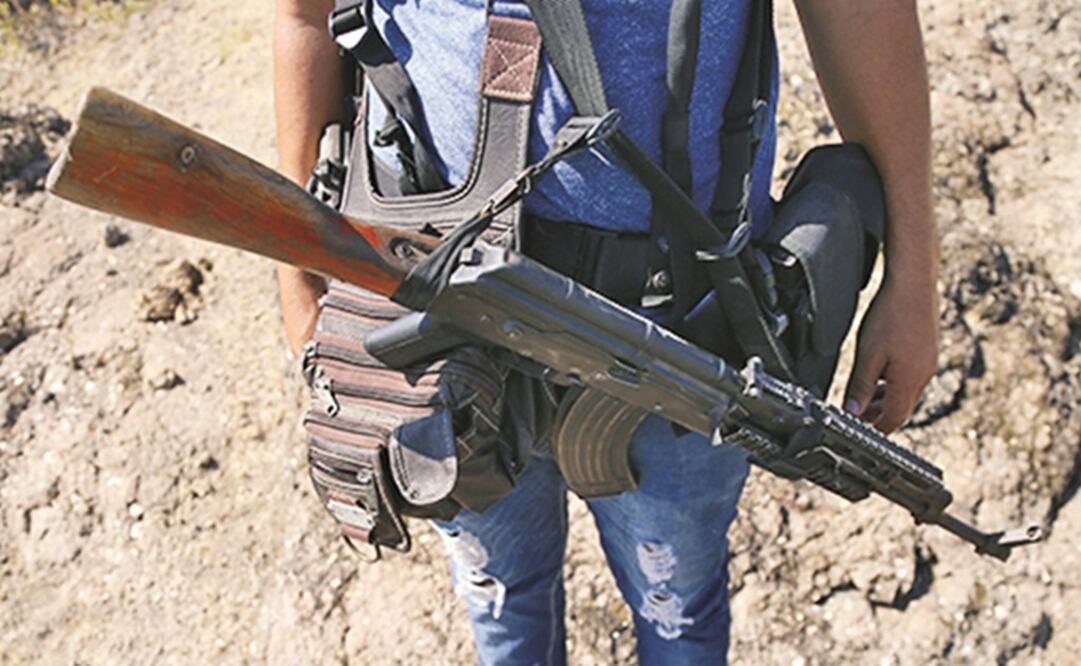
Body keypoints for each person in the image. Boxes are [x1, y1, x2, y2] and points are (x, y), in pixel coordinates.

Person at [273, 0, 940, 663]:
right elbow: (305, 14)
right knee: (500, 591)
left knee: (674, 606)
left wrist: (912, 273)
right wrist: (297, 258)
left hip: (685, 338)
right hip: (430, 315)